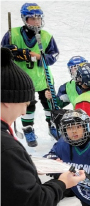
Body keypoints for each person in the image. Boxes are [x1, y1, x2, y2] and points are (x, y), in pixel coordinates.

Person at [1, 47, 84, 206]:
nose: (28, 104)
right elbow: (30, 202)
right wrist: (62, 184)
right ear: (5, 99)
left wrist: (25, 167)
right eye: (25, 98)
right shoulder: (5, 147)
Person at [1, 2, 60, 147]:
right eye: (32, 18)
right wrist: (8, 52)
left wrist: (37, 56)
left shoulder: (46, 36)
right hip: (22, 80)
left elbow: (54, 56)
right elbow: (2, 56)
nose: (36, 21)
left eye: (39, 18)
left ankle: (52, 125)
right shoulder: (12, 34)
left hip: (43, 79)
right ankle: (28, 128)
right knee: (27, 104)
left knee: (49, 103)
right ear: (24, 19)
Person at [45, 55, 90, 141]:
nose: (75, 72)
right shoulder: (67, 87)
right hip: (82, 121)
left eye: (77, 68)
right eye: (73, 69)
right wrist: (51, 99)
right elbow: (58, 105)